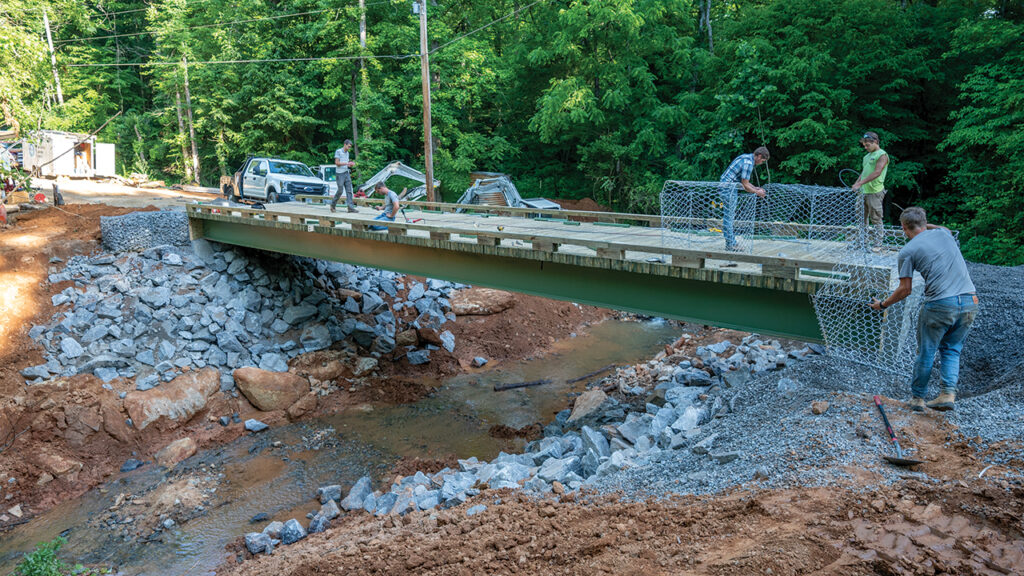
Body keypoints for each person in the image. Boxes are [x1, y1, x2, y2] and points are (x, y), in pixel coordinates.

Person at [869, 207, 978, 412]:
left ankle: (918, 398)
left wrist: (882, 304)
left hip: (940, 304)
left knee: (927, 351)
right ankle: (948, 394)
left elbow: (905, 289)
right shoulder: (944, 234)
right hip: (970, 301)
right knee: (952, 349)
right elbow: (941, 228)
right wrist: (925, 225)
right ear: (925, 223)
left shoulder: (908, 251)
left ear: (903, 228)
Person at [718, 146, 770, 251]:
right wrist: (757, 192)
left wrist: (755, 188)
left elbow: (745, 182)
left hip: (728, 188)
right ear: (759, 156)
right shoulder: (748, 163)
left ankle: (731, 243)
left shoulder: (746, 157)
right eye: (762, 161)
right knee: (729, 217)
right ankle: (731, 244)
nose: (761, 163)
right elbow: (745, 186)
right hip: (728, 189)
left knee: (729, 216)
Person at [852, 131, 889, 244]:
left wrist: (860, 182)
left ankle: (878, 243)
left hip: (875, 192)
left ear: (876, 142)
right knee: (861, 218)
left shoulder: (882, 155)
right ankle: (862, 241)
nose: (866, 147)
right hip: (863, 191)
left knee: (876, 218)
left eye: (868, 145)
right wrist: (856, 183)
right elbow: (864, 172)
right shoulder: (866, 156)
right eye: (864, 145)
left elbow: (877, 172)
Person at [330, 139, 357, 213]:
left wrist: (350, 165)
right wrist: (347, 163)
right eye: (348, 146)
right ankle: (332, 205)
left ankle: (350, 208)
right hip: (340, 174)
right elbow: (337, 163)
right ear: (345, 144)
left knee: (349, 191)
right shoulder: (338, 151)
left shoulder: (347, 153)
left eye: (350, 147)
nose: (349, 148)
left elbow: (346, 163)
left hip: (346, 173)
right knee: (340, 191)